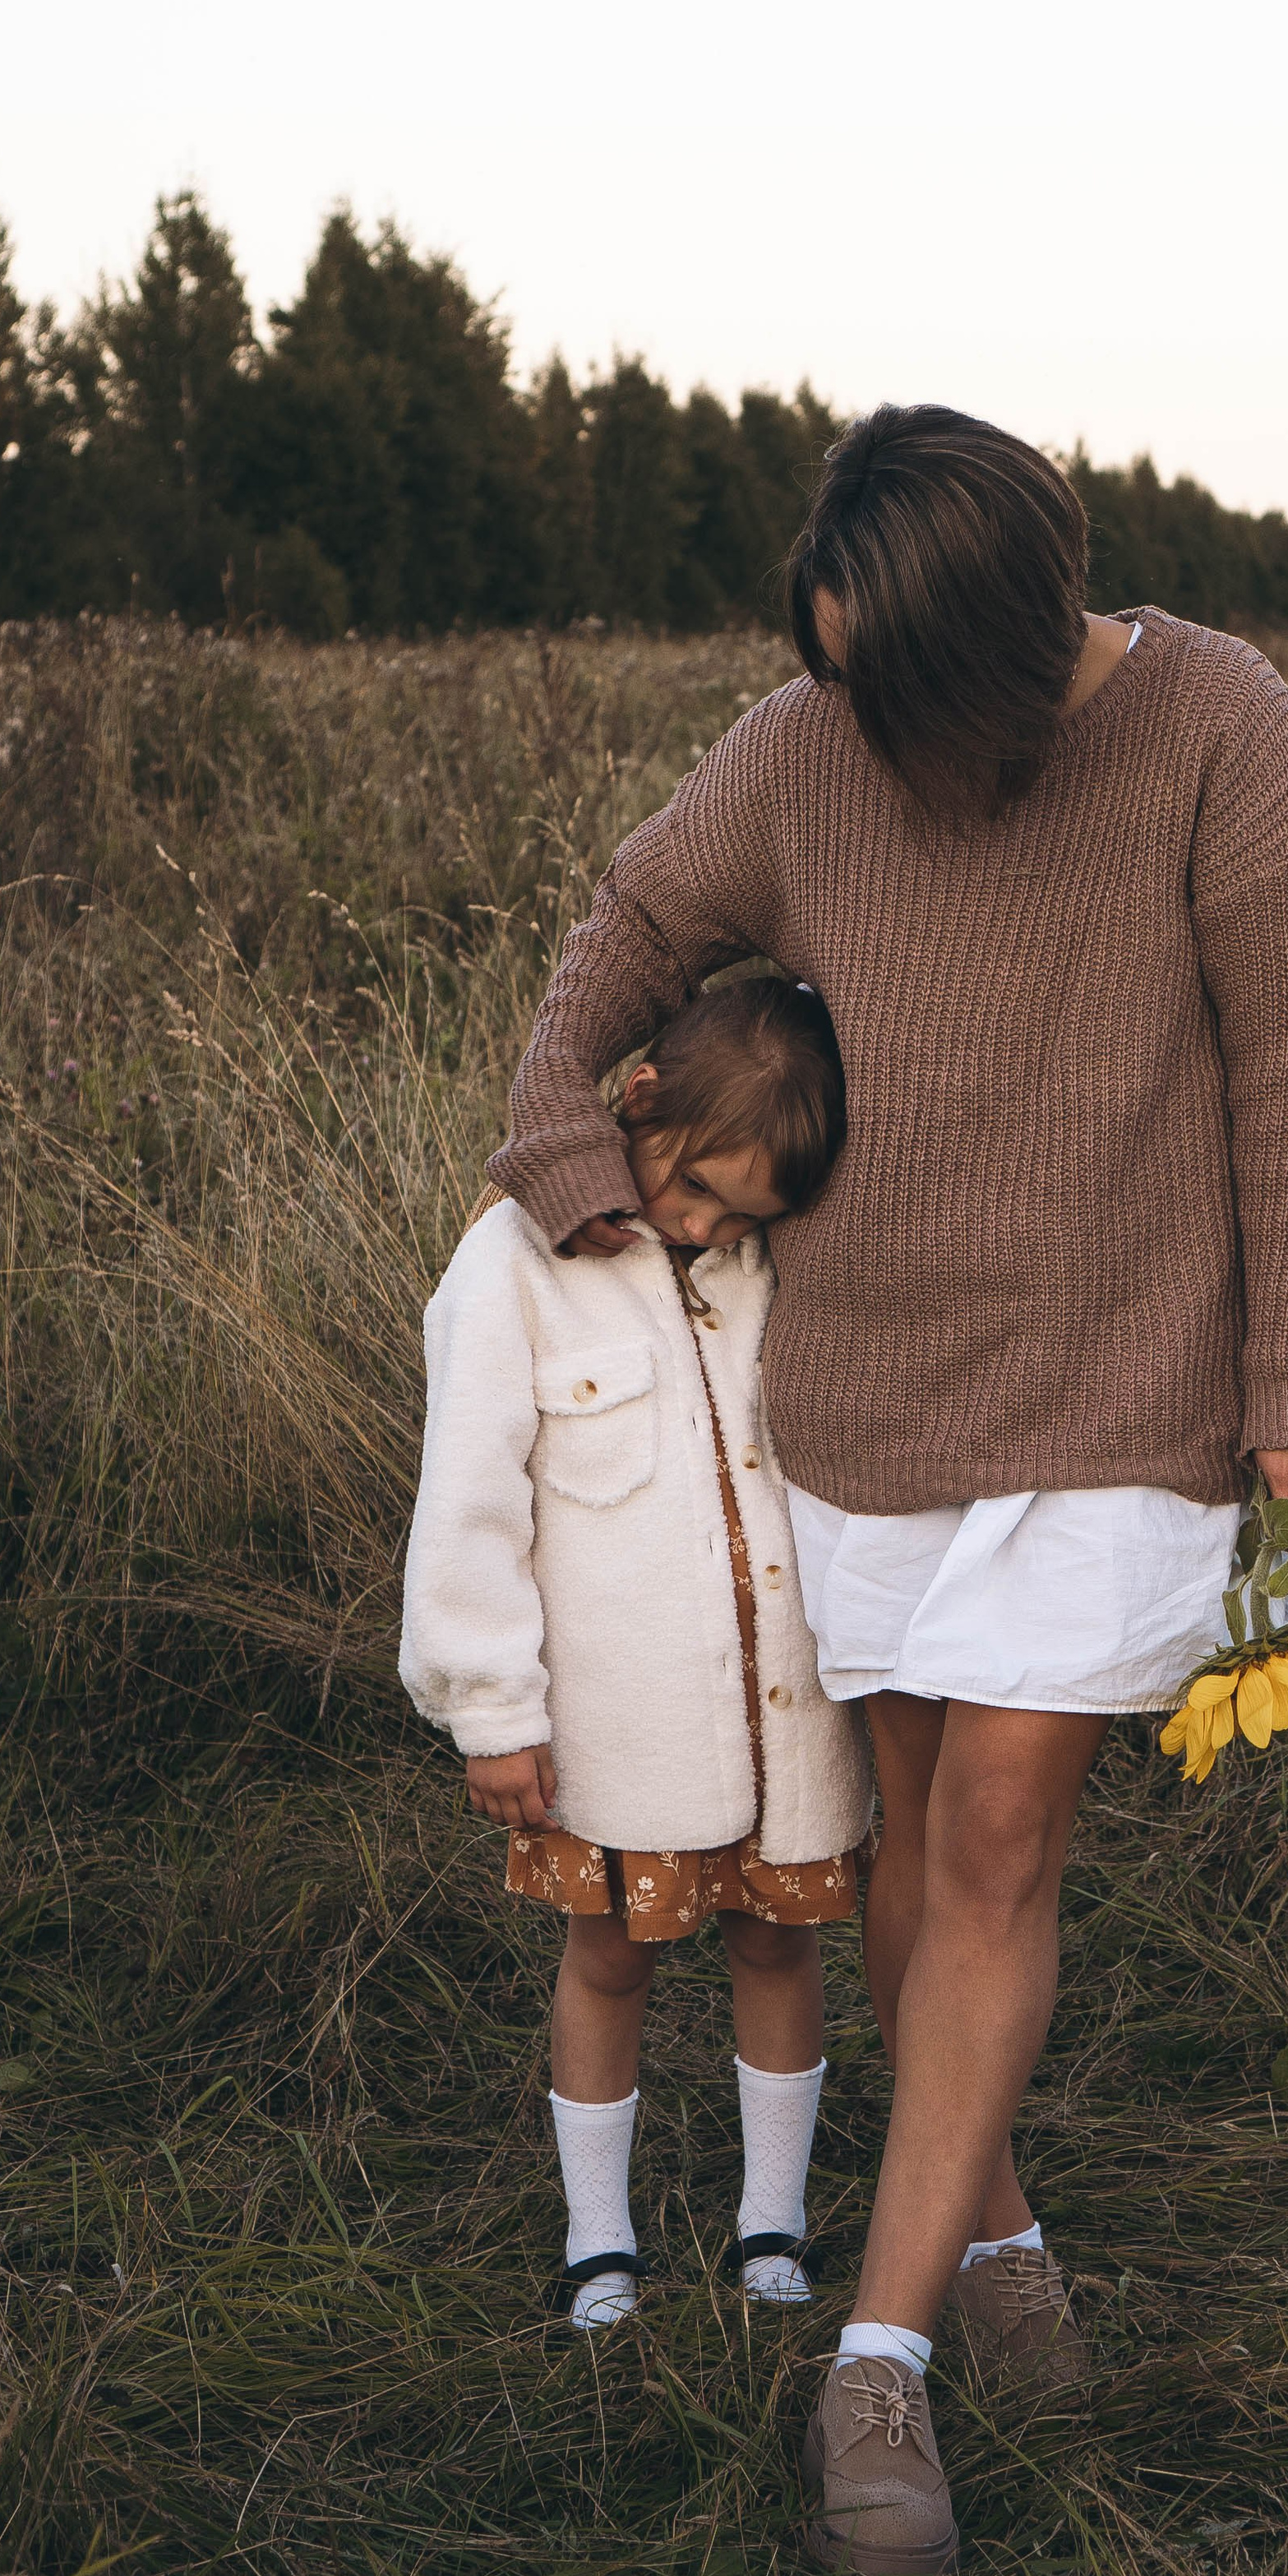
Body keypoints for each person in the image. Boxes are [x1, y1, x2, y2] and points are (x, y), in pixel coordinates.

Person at [488, 405, 1288, 2576]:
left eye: (880, 678)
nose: (847, 713)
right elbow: (633, 916)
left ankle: (873, 2370)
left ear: (987, 648)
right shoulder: (808, 751)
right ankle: (991, 2233)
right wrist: (564, 1143)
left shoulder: (1219, 731)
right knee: (905, 1848)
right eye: (829, 671)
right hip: (869, 1409)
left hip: (1121, 1396)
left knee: (994, 1841)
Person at [400, 977, 872, 2327]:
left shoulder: (783, 1266)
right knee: (608, 1956)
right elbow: (469, 1504)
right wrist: (492, 1708)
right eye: (698, 1188)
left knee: (779, 1950)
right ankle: (598, 2237)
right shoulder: (512, 1264)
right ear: (638, 1098)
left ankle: (771, 2225)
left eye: (744, 1216)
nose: (707, 1226)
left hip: (789, 1716)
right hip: (622, 1722)